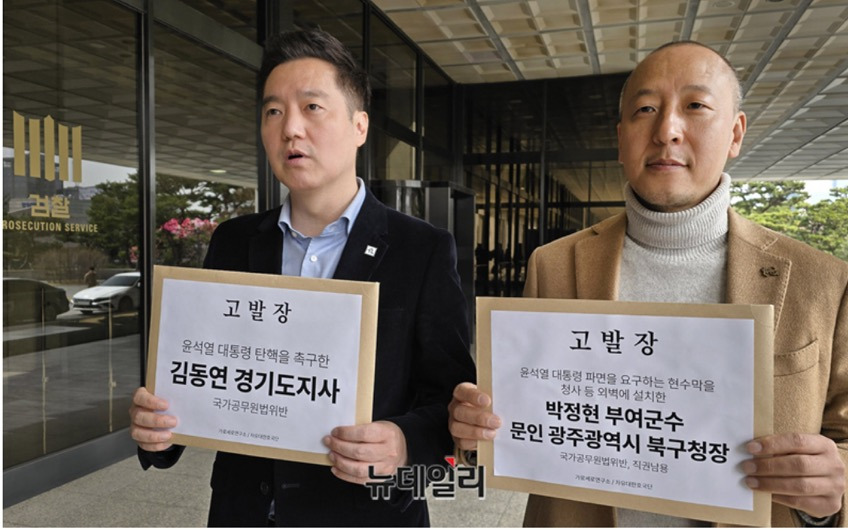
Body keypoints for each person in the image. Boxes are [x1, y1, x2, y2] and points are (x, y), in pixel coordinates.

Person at [448, 41, 847, 527]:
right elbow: (523, 419)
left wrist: (834, 488)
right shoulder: (553, 265)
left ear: (736, 133)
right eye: (646, 110)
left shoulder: (821, 281)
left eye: (695, 106)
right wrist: (475, 433)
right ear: (621, 139)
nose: (667, 131)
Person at [129, 29, 475, 527]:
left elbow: (452, 399)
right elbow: (202, 375)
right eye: (273, 112)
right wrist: (158, 429)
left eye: (312, 107)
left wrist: (404, 444)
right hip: (244, 513)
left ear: (359, 126)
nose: (290, 128)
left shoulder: (421, 248)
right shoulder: (234, 241)